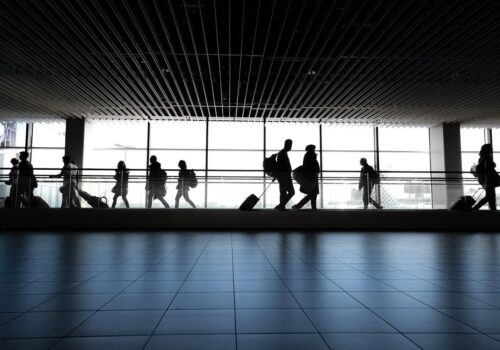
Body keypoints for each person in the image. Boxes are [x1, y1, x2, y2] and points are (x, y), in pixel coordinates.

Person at [293, 145, 320, 210]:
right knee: (313, 193)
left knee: (313, 193)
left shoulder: (308, 155)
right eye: (313, 149)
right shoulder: (310, 156)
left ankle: (300, 206)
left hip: (312, 176)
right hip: (312, 176)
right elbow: (310, 167)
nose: (314, 150)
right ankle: (299, 206)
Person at [473, 144, 498, 211]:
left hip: (485, 180)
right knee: (489, 196)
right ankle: (476, 208)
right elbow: (488, 169)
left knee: (491, 195)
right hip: (489, 180)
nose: (492, 150)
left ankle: (493, 209)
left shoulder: (481, 158)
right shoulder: (487, 157)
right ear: (488, 150)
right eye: (490, 148)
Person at [275, 139, 295, 210]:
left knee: (286, 192)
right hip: (284, 175)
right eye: (290, 145)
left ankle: (281, 205)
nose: (291, 147)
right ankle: (281, 206)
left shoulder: (283, 153)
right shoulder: (282, 153)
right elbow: (280, 165)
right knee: (288, 192)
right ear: (287, 145)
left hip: (284, 175)